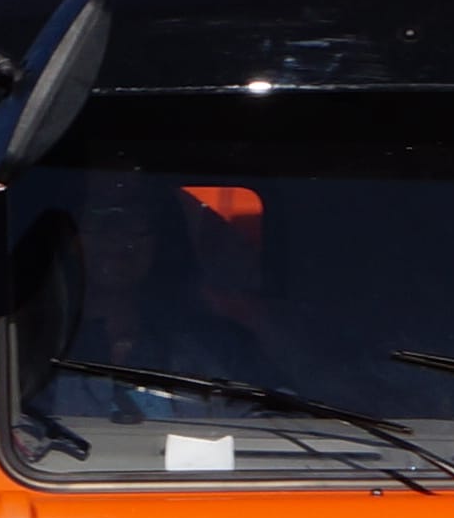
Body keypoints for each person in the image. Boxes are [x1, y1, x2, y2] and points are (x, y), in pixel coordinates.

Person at [17, 178, 282, 438]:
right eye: (95, 214)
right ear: (63, 237)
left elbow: (271, 426)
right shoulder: (17, 348)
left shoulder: (218, 349)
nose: (115, 233)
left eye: (134, 216)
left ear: (161, 237)